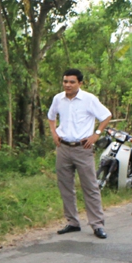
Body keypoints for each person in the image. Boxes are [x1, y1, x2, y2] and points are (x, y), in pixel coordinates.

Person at [47, 69, 111, 239]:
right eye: (65, 81)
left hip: (83, 148)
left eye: (72, 82)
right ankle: (72, 222)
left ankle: (97, 224)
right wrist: (54, 133)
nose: (67, 85)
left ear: (80, 83)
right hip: (64, 147)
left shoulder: (88, 99)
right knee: (65, 186)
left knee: (90, 186)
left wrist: (96, 133)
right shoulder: (58, 99)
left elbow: (106, 115)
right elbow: (51, 116)